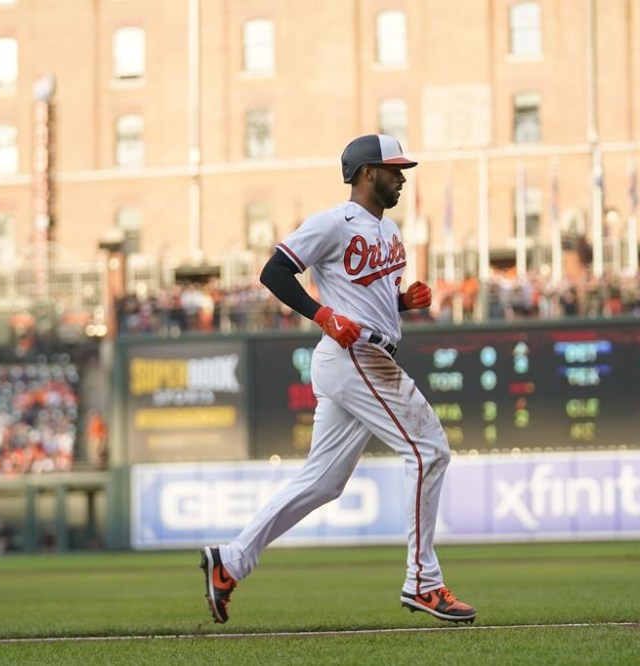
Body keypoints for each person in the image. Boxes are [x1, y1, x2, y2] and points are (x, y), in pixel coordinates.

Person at [198, 134, 476, 625]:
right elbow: (275, 273)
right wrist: (322, 314)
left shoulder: (388, 232)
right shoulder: (333, 222)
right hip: (356, 354)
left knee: (322, 482)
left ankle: (229, 561)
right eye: (394, 169)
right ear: (368, 173)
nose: (402, 177)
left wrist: (402, 301)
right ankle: (423, 582)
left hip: (362, 353)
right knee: (429, 449)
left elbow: (374, 296)